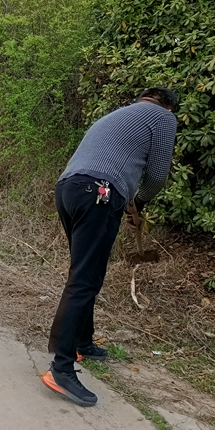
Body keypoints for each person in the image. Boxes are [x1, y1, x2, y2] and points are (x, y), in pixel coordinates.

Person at [42, 87, 178, 407]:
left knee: (86, 273)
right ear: (169, 107)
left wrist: (126, 199)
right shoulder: (163, 118)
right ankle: (61, 369)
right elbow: (157, 176)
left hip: (69, 188)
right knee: (84, 279)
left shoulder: (119, 114)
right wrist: (139, 201)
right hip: (99, 193)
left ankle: (82, 342)